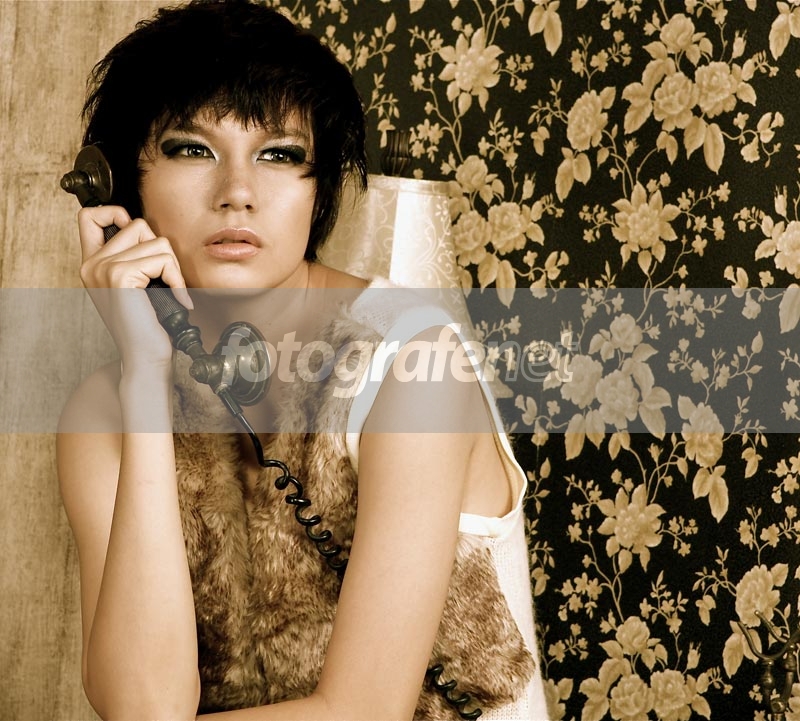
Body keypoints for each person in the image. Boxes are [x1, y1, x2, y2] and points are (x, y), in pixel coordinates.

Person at [56, 1, 549, 719]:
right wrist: (145, 376)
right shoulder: (102, 412)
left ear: (320, 188)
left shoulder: (415, 361)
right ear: (119, 184)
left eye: (280, 155)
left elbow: (364, 709)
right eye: (192, 150)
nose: (238, 194)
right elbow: (143, 707)